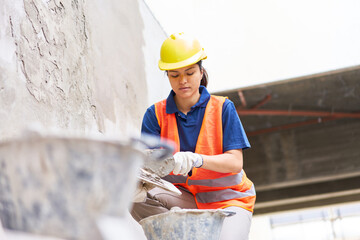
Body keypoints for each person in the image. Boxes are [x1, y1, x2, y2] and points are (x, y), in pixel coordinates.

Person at [131, 32, 256, 240]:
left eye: (189, 73)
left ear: (201, 71)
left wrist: (196, 159)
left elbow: (235, 162)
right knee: (131, 196)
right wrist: (137, 184)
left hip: (230, 199)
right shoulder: (155, 115)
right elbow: (146, 167)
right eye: (175, 75)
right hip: (185, 198)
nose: (183, 81)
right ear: (168, 76)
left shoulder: (223, 107)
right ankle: (179, 231)